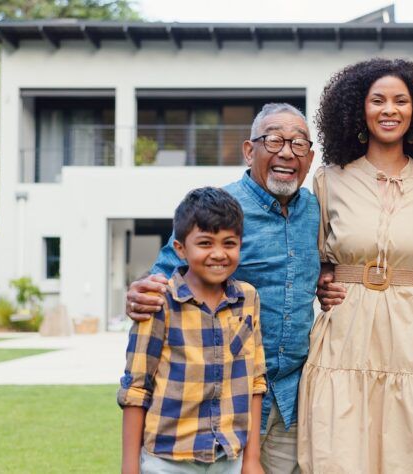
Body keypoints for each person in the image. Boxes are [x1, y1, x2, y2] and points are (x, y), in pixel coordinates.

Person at [125, 103, 318, 473]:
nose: (286, 152)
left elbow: (329, 261)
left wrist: (330, 279)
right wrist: (139, 292)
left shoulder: (315, 210)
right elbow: (163, 279)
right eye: (274, 139)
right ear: (249, 150)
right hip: (224, 402)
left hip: (293, 399)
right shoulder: (224, 211)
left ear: (309, 158)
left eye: (298, 144)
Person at [298, 58, 413, 473]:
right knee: (340, 450)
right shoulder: (329, 179)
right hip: (344, 328)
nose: (390, 110)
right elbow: (313, 259)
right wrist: (322, 282)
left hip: (410, 330)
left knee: (410, 450)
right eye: (378, 100)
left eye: (401, 101)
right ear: (359, 109)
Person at [118, 187, 266, 474]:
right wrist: (129, 468)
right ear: (180, 249)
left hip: (230, 459)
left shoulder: (248, 299)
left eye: (229, 243)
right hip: (168, 460)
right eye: (205, 243)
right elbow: (136, 389)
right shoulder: (158, 302)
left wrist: (251, 459)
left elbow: (256, 382)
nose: (219, 254)